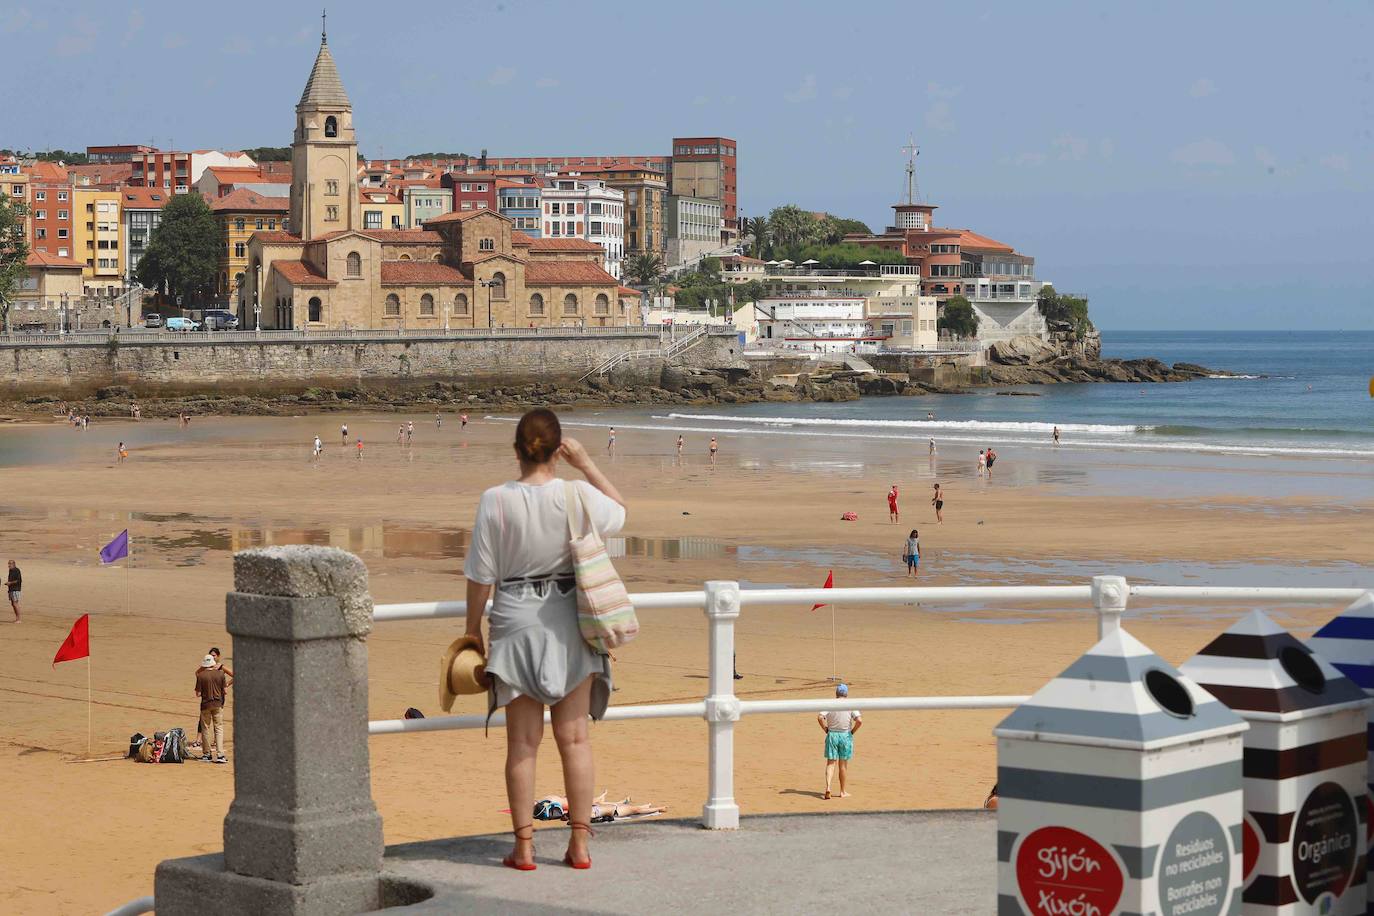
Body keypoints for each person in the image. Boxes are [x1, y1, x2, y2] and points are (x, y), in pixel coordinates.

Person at [463, 408, 626, 871]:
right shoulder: (576, 495)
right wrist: (588, 464)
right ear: (558, 450)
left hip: (514, 618)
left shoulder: (495, 499)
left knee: (523, 745)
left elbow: (480, 575)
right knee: (574, 739)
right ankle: (579, 845)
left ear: (516, 450)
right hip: (568, 618)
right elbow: (620, 511)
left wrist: (472, 630)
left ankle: (525, 847)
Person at [818, 684, 862, 800]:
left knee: (830, 763)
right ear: (846, 694)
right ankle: (842, 791)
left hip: (832, 734)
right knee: (843, 765)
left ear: (836, 693)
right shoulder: (851, 704)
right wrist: (852, 732)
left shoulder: (830, 703)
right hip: (845, 735)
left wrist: (825, 728)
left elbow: (820, 717)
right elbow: (859, 721)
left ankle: (828, 787)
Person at [534, 791, 668, 823]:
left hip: (612, 809)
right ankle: (657, 809)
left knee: (635, 809)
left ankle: (652, 808)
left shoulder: (582, 812)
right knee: (636, 810)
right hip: (614, 812)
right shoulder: (586, 814)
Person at [195, 654, 230, 763]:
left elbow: (198, 693)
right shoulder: (220, 674)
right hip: (218, 704)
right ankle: (220, 755)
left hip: (205, 705)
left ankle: (207, 754)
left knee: (205, 728)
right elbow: (225, 691)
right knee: (218, 728)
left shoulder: (201, 676)